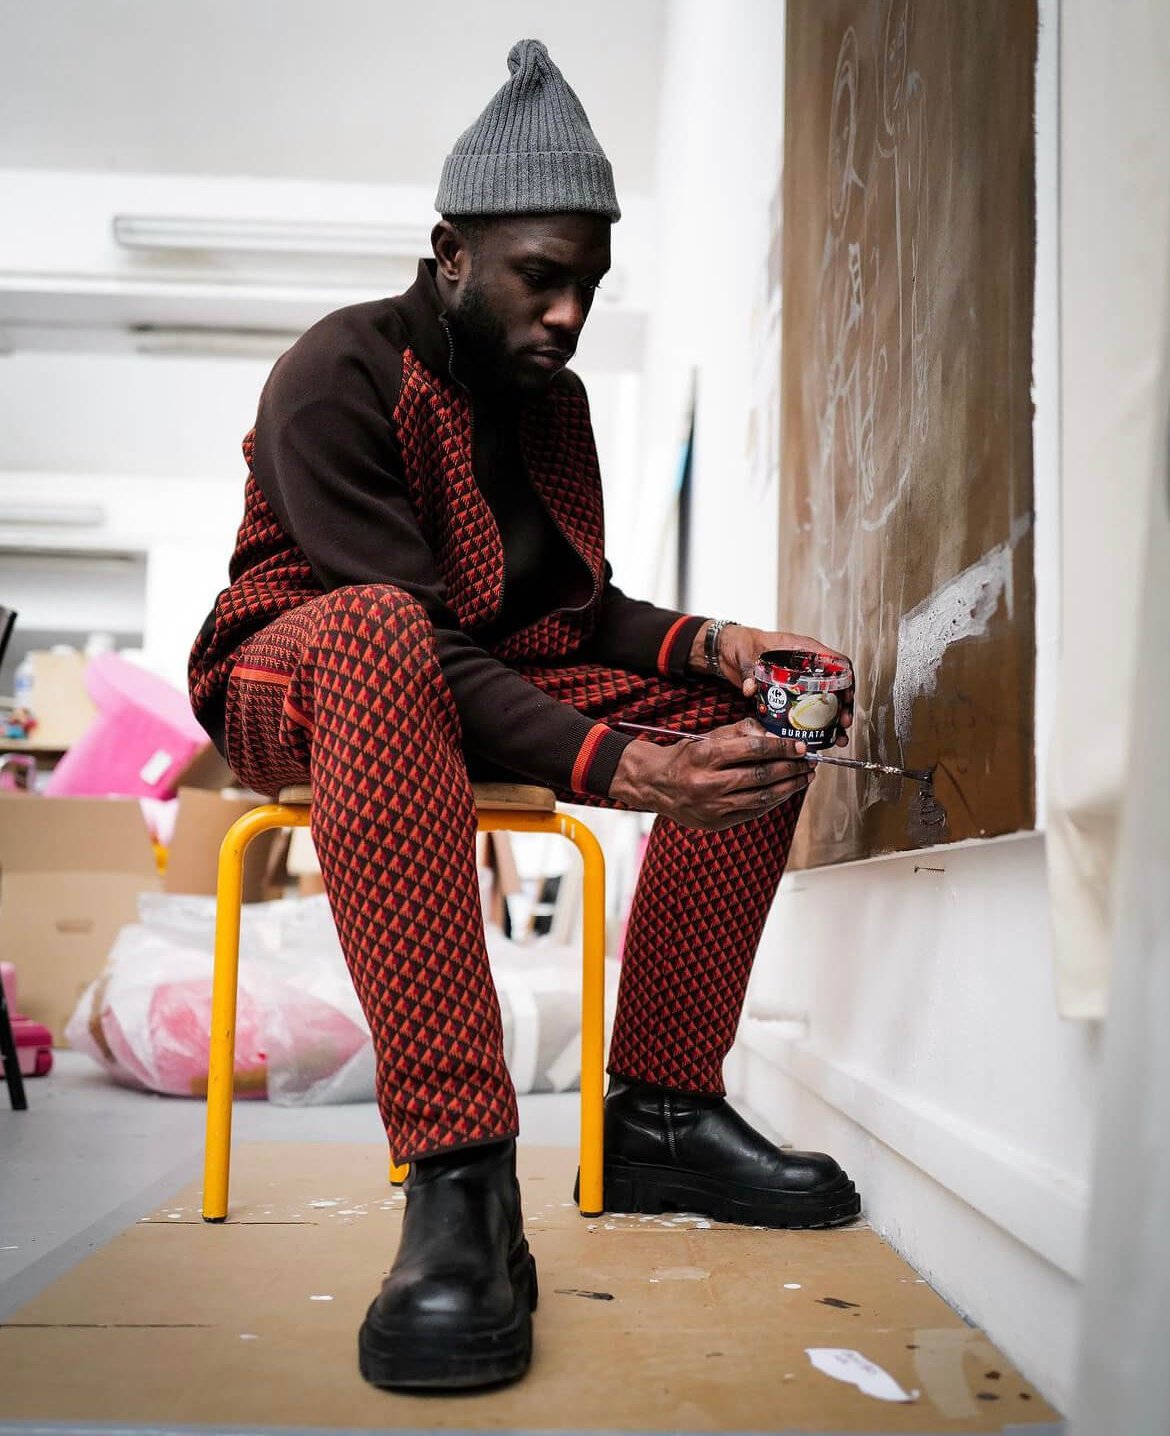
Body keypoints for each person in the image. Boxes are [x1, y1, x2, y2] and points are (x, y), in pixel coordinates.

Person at [188, 37, 860, 1393]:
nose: (565, 314)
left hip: (458, 675)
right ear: (449, 250)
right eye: (538, 277)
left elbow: (569, 615)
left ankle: (663, 1111)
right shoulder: (337, 371)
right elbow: (420, 633)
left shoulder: (551, 410)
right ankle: (461, 1176)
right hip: (297, 671)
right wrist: (628, 767)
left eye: (587, 287)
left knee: (765, 715)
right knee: (385, 635)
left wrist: (721, 650)